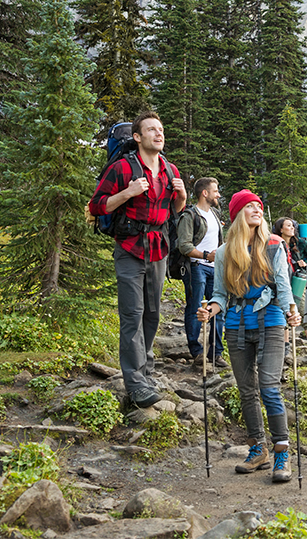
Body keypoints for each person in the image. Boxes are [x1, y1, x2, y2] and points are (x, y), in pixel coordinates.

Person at [197, 190, 301, 484]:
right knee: (247, 391)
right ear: (237, 214)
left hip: (270, 321)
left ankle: (282, 450)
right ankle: (258, 449)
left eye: (258, 206)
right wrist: (210, 310)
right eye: (249, 206)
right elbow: (219, 294)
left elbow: (282, 286)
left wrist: (291, 311)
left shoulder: (273, 245)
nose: (256, 209)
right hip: (236, 324)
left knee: (268, 387)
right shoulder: (224, 252)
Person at [89, 112, 186, 409]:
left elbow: (175, 211)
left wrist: (181, 197)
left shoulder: (170, 170)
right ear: (137, 137)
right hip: (130, 247)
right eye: (151, 130)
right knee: (133, 314)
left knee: (153, 314)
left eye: (161, 129)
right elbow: (97, 206)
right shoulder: (121, 168)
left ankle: (146, 371)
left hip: (158, 248)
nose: (158, 134)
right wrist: (128, 192)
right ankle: (135, 383)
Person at [176, 177, 224, 369]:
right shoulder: (189, 215)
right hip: (196, 266)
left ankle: (216, 352)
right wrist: (206, 255)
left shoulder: (214, 213)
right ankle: (196, 351)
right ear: (205, 193)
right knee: (195, 307)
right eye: (215, 191)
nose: (218, 194)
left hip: (215, 268)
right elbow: (184, 245)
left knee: (219, 308)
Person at [274, 217, 307, 358]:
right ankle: (286, 346)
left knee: (303, 309)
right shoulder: (276, 244)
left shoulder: (299, 243)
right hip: (282, 283)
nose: (292, 228)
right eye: (288, 225)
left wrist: (304, 262)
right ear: (281, 229)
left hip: (298, 281)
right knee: (285, 311)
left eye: (293, 225)